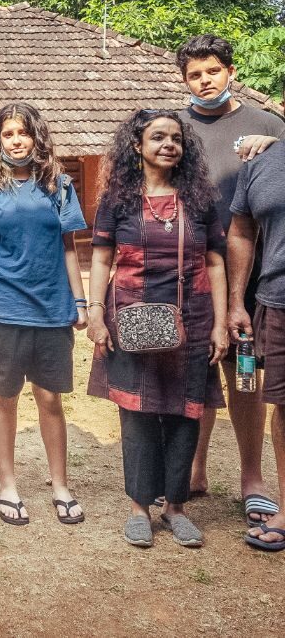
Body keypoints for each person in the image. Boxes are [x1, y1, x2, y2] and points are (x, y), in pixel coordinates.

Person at [87, 109, 228, 549]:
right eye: (157, 137)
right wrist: (94, 312)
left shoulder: (200, 200)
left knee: (186, 413)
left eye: (175, 138)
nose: (168, 144)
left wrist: (221, 323)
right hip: (130, 316)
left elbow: (216, 261)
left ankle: (177, 507)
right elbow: (102, 259)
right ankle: (139, 508)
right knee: (138, 414)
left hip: (194, 316)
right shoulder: (118, 200)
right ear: (137, 146)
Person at [0, 102, 88, 528]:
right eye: (7, 134)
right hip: (3, 307)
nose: (16, 141)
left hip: (52, 308)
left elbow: (70, 248)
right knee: (5, 397)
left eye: (23, 133)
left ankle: (60, 485)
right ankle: (8, 485)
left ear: (37, 137)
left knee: (51, 398)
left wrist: (81, 301)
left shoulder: (59, 185)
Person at [177, 34, 284, 524]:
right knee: (194, 372)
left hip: (251, 273)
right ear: (185, 80)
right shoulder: (173, 127)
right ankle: (193, 470)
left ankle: (252, 477)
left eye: (212, 71)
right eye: (195, 75)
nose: (205, 81)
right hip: (189, 272)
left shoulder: (267, 126)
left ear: (230, 71)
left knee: (244, 377)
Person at [228, 139, 285, 551]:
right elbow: (242, 231)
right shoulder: (261, 160)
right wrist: (236, 301)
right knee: (283, 406)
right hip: (277, 298)